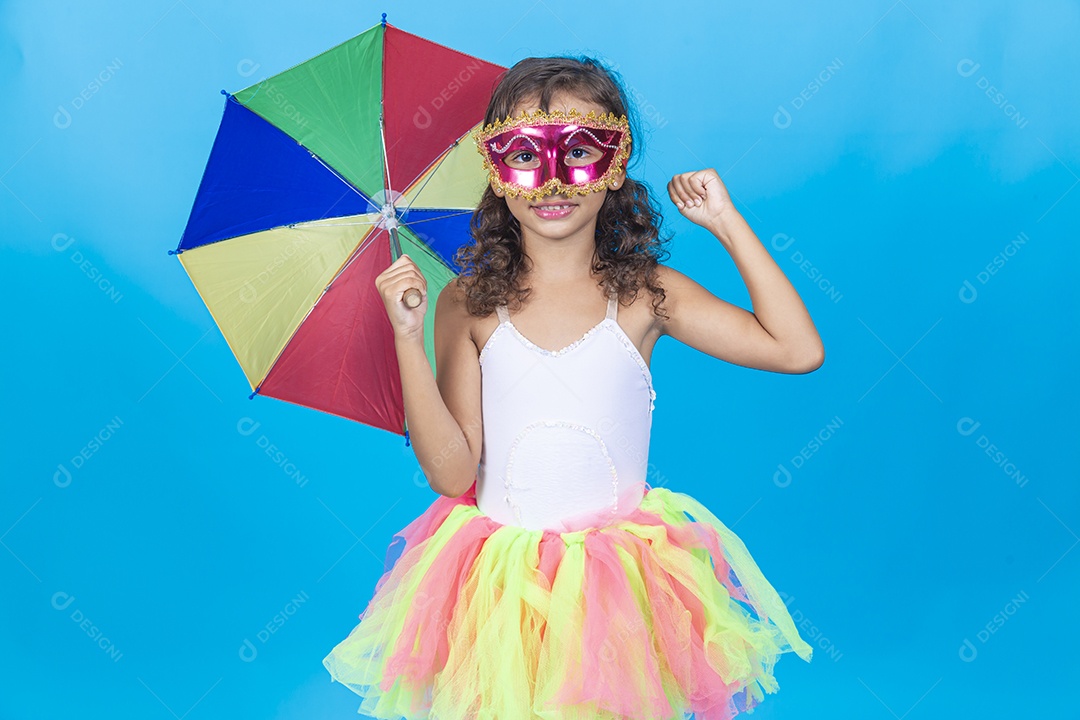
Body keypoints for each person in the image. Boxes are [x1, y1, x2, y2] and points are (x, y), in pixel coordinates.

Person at [323, 55, 823, 720]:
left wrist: (727, 222)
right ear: (497, 175)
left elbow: (796, 349)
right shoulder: (464, 305)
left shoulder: (649, 295)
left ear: (614, 166)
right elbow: (450, 474)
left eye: (580, 151)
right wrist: (407, 337)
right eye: (526, 155)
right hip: (500, 585)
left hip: (617, 582)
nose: (552, 180)